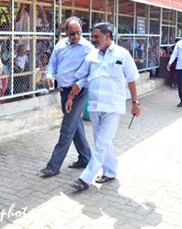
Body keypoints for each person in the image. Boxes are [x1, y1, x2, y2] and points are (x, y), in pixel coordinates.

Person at [65, 23, 140, 191]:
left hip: (112, 107)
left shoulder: (122, 54)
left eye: (97, 36)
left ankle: (85, 179)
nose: (94, 39)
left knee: (100, 145)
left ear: (108, 36)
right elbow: (82, 77)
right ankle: (111, 171)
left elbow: (132, 79)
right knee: (103, 142)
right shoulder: (92, 55)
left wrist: (135, 103)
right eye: (92, 36)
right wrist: (71, 96)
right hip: (94, 106)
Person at [38, 17, 93, 178]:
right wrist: (48, 75)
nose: (75, 36)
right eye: (71, 33)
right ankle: (86, 158)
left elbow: (87, 74)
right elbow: (52, 64)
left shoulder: (87, 48)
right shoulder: (60, 45)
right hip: (63, 90)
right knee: (75, 126)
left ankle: (53, 166)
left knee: (67, 129)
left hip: (78, 91)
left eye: (78, 33)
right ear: (66, 33)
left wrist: (72, 94)